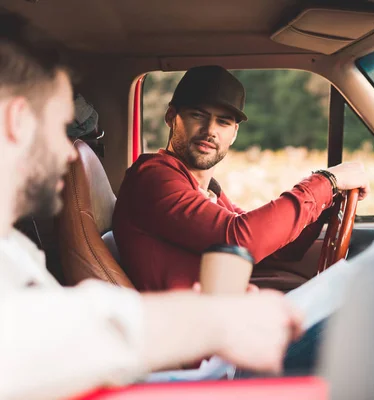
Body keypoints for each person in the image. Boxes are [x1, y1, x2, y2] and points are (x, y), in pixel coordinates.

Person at [0, 37, 304, 399]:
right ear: (17, 119)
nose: (70, 152)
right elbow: (38, 339)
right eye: (60, 128)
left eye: (223, 122)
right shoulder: (156, 175)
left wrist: (207, 313)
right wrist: (210, 321)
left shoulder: (15, 249)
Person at [113, 65, 370, 292]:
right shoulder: (153, 177)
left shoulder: (207, 191)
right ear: (172, 117)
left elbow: (279, 252)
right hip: (188, 336)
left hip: (216, 322)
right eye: (198, 115)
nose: (210, 130)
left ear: (234, 134)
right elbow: (241, 239)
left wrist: (324, 207)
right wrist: (326, 181)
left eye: (223, 122)